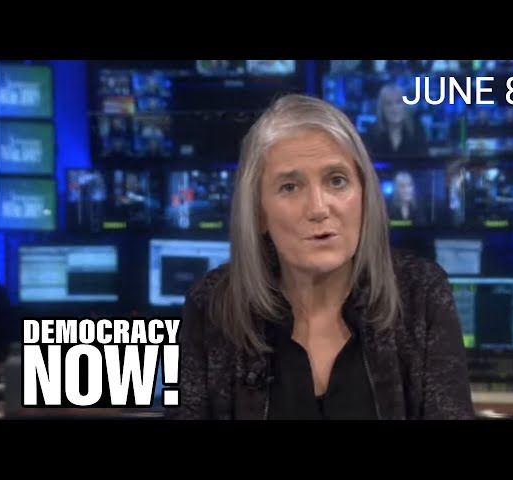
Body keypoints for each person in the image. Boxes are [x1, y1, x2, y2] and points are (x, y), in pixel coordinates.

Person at [167, 93, 474, 420]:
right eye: (290, 186)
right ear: (258, 213)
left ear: (364, 195)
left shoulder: (420, 294)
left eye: (337, 181)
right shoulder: (211, 306)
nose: (318, 208)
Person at [363, 83, 428, 157]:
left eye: (398, 102)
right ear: (382, 109)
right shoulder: (373, 133)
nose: (394, 108)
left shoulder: (417, 130)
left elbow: (424, 160)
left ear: (405, 105)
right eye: (389, 104)